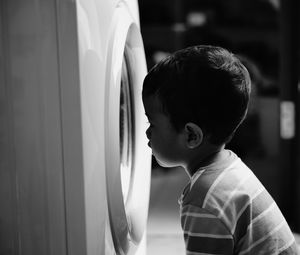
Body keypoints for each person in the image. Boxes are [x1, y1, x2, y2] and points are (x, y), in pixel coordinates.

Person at [142, 45, 299, 254]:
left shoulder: (204, 199)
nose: (147, 133)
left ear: (191, 135)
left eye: (152, 124)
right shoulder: (230, 166)